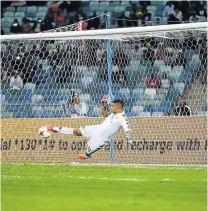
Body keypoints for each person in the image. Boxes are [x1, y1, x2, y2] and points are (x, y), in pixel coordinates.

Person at [46, 99, 133, 159]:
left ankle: (87, 154)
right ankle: (55, 129)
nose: (112, 107)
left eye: (113, 106)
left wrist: (130, 140)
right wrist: (104, 107)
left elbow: (127, 130)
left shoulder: (123, 118)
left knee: (86, 155)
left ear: (118, 107)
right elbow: (105, 114)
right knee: (76, 131)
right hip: (96, 128)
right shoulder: (113, 114)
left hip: (101, 138)